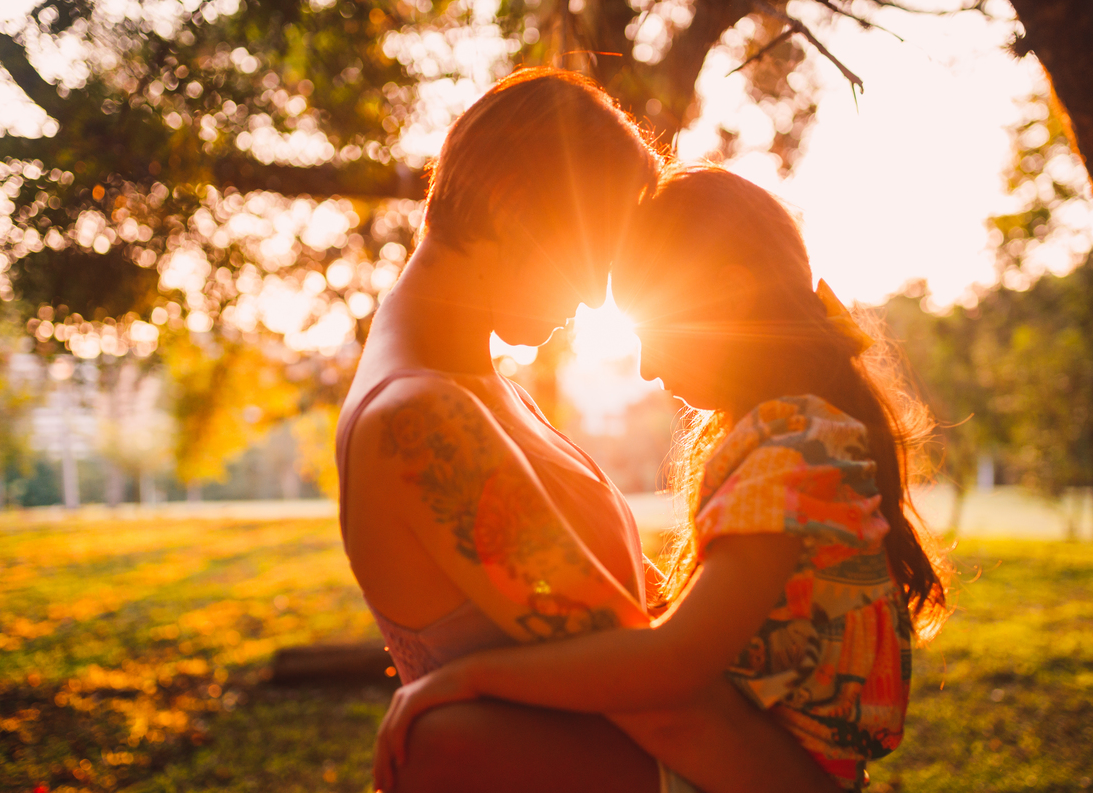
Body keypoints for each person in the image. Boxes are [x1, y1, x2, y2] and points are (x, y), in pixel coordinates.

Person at [338, 72, 842, 793]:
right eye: (592, 251)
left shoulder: (479, 390)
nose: (592, 295)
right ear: (514, 207)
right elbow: (661, 698)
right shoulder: (423, 420)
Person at [376, 166, 953, 792]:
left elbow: (677, 662)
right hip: (742, 754)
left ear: (730, 297)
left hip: (757, 770)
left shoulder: (793, 446)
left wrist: (470, 676)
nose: (647, 367)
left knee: (441, 743)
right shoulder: (798, 434)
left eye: (652, 331)